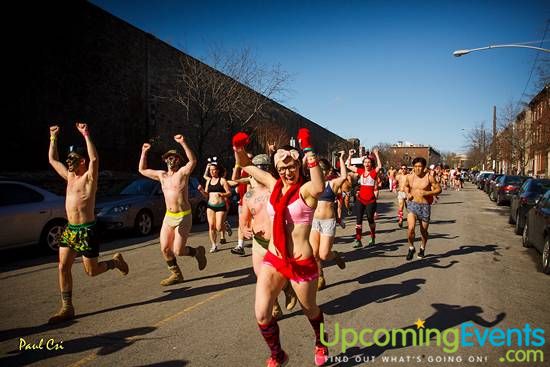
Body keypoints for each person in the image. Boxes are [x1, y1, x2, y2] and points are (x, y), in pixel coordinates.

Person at [233, 129, 330, 367]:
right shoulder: (273, 184)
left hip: (299, 262)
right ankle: (278, 355)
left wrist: (308, 149)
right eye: (283, 168)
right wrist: (238, 148)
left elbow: (319, 186)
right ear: (277, 170)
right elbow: (245, 164)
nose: (288, 172)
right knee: (262, 314)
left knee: (310, 309)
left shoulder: (305, 190)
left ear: (299, 167)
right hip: (274, 259)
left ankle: (320, 342)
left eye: (292, 167)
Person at [47, 122, 129, 324]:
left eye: (73, 159)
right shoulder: (69, 177)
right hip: (71, 229)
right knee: (62, 267)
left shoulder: (89, 178)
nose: (69, 162)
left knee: (91, 272)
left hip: (87, 230)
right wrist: (53, 138)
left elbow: (94, 158)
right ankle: (67, 307)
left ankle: (114, 263)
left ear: (82, 161)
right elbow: (52, 159)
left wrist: (86, 134)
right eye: (69, 159)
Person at [139, 135, 207, 286]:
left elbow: (193, 161)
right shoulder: (161, 175)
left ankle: (197, 252)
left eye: (175, 157)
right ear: (165, 160)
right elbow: (142, 169)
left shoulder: (182, 173)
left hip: (184, 215)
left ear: (179, 160)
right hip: (169, 217)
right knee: (164, 249)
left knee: (178, 250)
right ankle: (176, 274)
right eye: (169, 157)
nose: (172, 160)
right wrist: (144, 152)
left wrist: (183, 142)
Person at [239, 153, 297, 319]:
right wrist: (244, 229)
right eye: (258, 168)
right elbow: (244, 218)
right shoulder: (248, 195)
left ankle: (287, 288)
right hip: (258, 242)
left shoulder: (277, 187)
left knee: (279, 275)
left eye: (264, 167)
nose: (260, 170)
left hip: (277, 241)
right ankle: (274, 305)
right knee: (260, 276)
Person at [310, 153, 347, 290]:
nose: (319, 173)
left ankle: (335, 255)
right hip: (314, 222)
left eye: (322, 171)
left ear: (327, 172)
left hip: (327, 222)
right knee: (314, 253)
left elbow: (343, 177)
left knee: (324, 254)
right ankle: (320, 276)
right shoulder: (311, 185)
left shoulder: (332, 184)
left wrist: (341, 159)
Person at [403, 157, 442, 260]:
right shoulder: (410, 177)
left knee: (423, 231)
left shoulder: (429, 178)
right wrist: (408, 194)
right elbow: (405, 187)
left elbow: (439, 189)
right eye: (415, 166)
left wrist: (427, 193)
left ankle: (422, 248)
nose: (417, 169)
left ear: (424, 167)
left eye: (420, 166)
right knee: (411, 228)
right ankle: (411, 248)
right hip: (412, 205)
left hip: (425, 207)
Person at [346, 148, 382, 248]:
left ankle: (373, 237)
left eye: (369, 162)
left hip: (371, 201)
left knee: (370, 219)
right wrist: (350, 155)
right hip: (360, 200)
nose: (367, 164)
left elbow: (380, 166)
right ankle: (358, 240)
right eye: (365, 162)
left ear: (371, 164)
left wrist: (376, 154)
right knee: (358, 220)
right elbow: (348, 166)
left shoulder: (374, 173)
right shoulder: (361, 172)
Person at [200, 158, 232, 253]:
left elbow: (229, 192)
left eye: (213, 170)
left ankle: (225, 226)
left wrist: (223, 194)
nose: (212, 172)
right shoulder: (208, 181)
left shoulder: (222, 180)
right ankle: (214, 245)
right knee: (211, 226)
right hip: (210, 206)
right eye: (210, 170)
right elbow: (206, 195)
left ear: (217, 170)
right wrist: (201, 190)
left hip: (220, 206)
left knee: (218, 227)